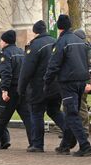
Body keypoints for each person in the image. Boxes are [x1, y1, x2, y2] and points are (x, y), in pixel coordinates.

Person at [18, 20, 71, 153]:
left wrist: (21, 88)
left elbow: (26, 70)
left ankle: (37, 144)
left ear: (35, 32)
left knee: (36, 113)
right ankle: (70, 132)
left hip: (39, 85)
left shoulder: (35, 46)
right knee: (54, 111)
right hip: (56, 84)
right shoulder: (56, 41)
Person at [44, 15, 91, 157]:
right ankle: (65, 145)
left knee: (71, 114)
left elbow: (54, 65)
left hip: (68, 82)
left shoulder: (61, 42)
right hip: (81, 81)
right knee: (74, 113)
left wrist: (47, 81)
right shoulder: (81, 41)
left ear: (59, 27)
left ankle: (85, 145)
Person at [0, 30, 32, 149]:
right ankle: (34, 142)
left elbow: (6, 73)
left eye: (1, 40)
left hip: (11, 89)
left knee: (1, 117)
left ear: (5, 41)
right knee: (27, 118)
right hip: (22, 89)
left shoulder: (6, 54)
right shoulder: (21, 52)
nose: (0, 43)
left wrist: (4, 90)